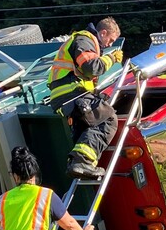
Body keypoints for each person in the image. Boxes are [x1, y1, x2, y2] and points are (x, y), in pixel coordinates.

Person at [45, 17, 123, 180]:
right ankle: (83, 161)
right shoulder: (85, 39)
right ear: (103, 32)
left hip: (69, 95)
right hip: (71, 93)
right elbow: (91, 67)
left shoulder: (87, 43)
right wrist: (112, 58)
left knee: (89, 126)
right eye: (111, 40)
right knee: (108, 118)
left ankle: (77, 164)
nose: (110, 44)